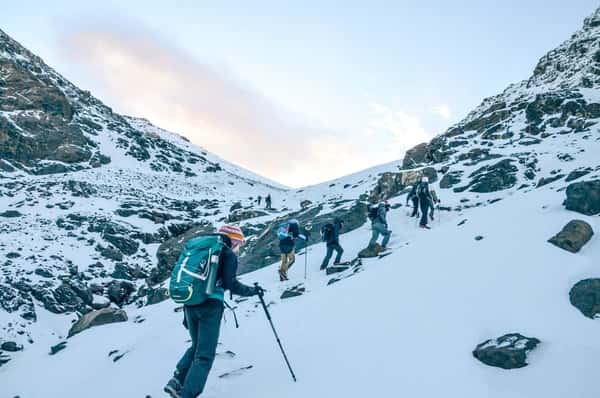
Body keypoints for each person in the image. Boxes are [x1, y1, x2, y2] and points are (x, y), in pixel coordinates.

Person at [164, 225, 263, 398]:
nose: (238, 247)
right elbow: (230, 284)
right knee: (205, 355)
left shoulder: (200, 247)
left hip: (190, 303)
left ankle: (177, 380)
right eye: (238, 242)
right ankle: (187, 394)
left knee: (196, 346)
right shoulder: (226, 253)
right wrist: (253, 291)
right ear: (231, 238)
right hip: (210, 306)